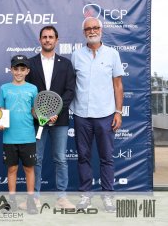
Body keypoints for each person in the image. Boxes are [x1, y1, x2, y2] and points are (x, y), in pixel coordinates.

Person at [71, 17, 124, 212]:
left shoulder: (112, 54)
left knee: (106, 157)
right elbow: (72, 84)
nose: (92, 31)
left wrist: (118, 112)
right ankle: (85, 196)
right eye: (88, 29)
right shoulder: (76, 55)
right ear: (84, 32)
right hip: (81, 115)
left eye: (95, 28)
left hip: (106, 114)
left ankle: (108, 196)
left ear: (101, 30)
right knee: (83, 157)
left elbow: (118, 85)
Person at [25, 26, 76, 209]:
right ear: (40, 40)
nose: (47, 40)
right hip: (37, 120)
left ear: (57, 39)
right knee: (36, 158)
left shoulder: (66, 64)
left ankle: (62, 197)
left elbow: (70, 90)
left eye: (51, 37)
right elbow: (27, 92)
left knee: (60, 158)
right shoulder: (30, 64)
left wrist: (57, 112)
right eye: (44, 37)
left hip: (60, 120)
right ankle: (35, 197)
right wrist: (35, 111)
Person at [0, 55, 39, 215]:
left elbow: (35, 112)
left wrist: (44, 116)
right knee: (12, 169)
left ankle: (30, 201)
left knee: (29, 169)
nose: (19, 72)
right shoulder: (4, 88)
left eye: (22, 69)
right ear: (11, 69)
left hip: (28, 137)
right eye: (16, 69)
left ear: (27, 71)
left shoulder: (33, 89)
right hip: (9, 137)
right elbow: (0, 110)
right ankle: (11, 201)